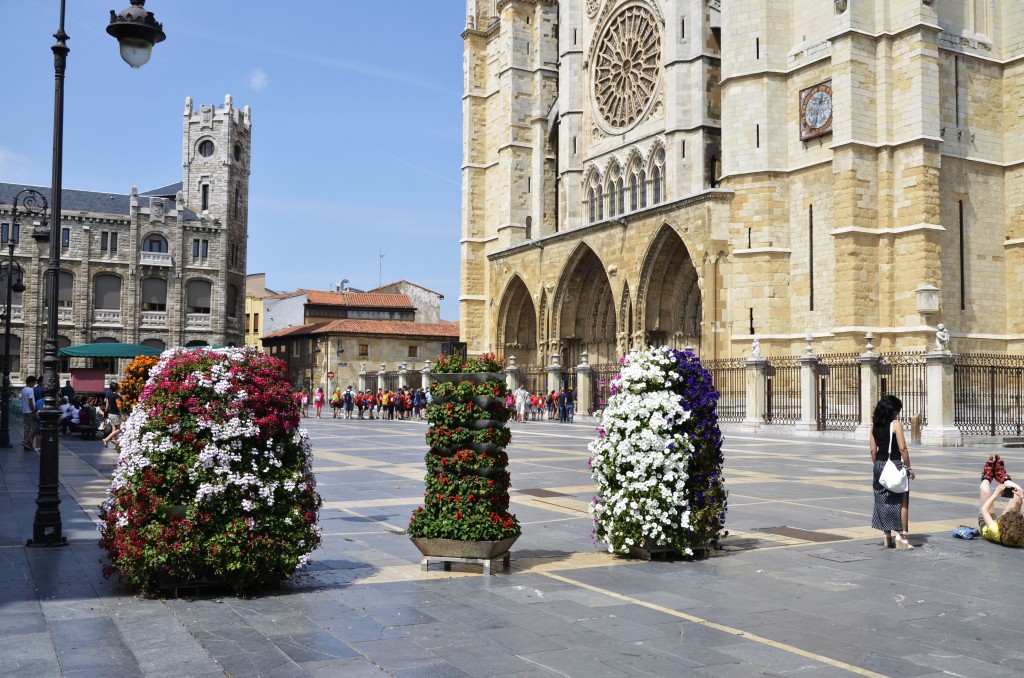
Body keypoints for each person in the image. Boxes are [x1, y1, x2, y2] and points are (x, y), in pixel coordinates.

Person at [869, 394, 915, 550]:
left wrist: (879, 465)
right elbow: (902, 448)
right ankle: (902, 537)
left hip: (879, 465)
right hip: (894, 464)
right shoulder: (896, 425)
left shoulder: (874, 425)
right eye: (897, 410)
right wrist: (908, 467)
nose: (898, 413)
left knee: (883, 500)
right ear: (892, 411)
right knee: (902, 501)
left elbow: (873, 451)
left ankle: (887, 534)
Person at [978, 455, 1024, 547]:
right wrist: (1022, 496)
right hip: (1008, 526)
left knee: (985, 491)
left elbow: (984, 510)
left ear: (1002, 521)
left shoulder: (996, 531)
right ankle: (1003, 477)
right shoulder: (1022, 538)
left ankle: (987, 476)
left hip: (987, 524)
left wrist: (996, 493)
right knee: (1019, 491)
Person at [20, 375, 40, 452]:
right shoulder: (30, 390)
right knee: (35, 427)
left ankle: (27, 444)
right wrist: (33, 411)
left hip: (24, 411)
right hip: (29, 411)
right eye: (34, 383)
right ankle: (26, 441)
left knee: (27, 428)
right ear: (31, 382)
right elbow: (30, 401)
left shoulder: (23, 390)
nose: (34, 385)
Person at [102, 382, 124, 449]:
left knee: (114, 428)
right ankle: (106, 439)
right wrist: (122, 414)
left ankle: (115, 443)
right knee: (119, 430)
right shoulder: (116, 396)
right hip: (115, 414)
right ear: (117, 388)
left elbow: (107, 406)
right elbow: (119, 405)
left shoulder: (109, 395)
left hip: (110, 414)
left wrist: (106, 414)